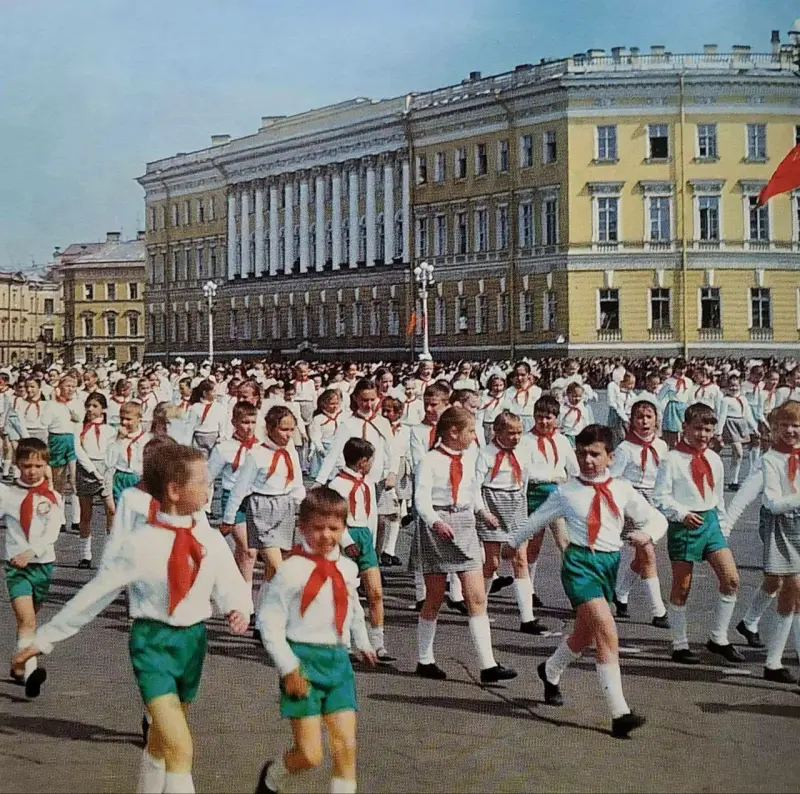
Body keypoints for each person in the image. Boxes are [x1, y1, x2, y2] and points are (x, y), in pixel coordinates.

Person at [13, 444, 252, 794]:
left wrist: (238, 607)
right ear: (174, 490)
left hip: (193, 644)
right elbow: (95, 594)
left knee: (161, 739)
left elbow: (230, 582)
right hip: (152, 644)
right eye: (202, 481)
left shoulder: (209, 538)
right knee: (180, 746)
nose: (209, 488)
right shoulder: (140, 544)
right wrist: (44, 639)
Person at [508, 424, 667, 738]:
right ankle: (620, 713)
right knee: (606, 630)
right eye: (581, 453)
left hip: (608, 564)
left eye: (595, 454)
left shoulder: (621, 489)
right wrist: (512, 543)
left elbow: (656, 519)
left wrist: (647, 534)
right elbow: (536, 519)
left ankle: (550, 670)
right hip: (579, 565)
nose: (587, 460)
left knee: (584, 634)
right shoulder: (565, 492)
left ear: (610, 457)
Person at [254, 488, 377, 794]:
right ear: (302, 527)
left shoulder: (347, 569)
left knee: (345, 746)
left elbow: (352, 607)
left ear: (343, 529)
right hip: (302, 662)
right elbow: (269, 622)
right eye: (318, 528)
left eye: (334, 528)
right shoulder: (292, 570)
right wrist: (288, 667)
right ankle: (272, 778)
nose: (326, 535)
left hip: (338, 662)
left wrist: (363, 642)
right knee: (310, 755)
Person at [413, 407, 517, 684]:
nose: (474, 436)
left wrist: (483, 512)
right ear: (453, 432)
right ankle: (425, 659)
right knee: (435, 597)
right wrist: (435, 522)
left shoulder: (470, 457)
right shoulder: (429, 461)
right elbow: (421, 500)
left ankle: (488, 665)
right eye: (470, 431)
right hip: (438, 525)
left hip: (464, 523)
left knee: (477, 597)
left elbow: (472, 491)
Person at [653, 402, 744, 665]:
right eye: (697, 429)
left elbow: (718, 497)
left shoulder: (714, 459)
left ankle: (718, 638)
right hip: (685, 525)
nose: (702, 435)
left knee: (731, 579)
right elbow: (660, 496)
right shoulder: (672, 459)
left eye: (708, 430)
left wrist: (722, 526)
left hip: (711, 523)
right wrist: (681, 514)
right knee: (682, 587)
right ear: (684, 427)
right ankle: (679, 644)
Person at [221, 405, 305, 600]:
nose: (288, 435)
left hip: (285, 508)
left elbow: (297, 483)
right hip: (262, 510)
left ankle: (261, 612)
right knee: (279, 568)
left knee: (272, 572)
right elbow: (240, 489)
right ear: (270, 428)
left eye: (291, 430)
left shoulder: (290, 452)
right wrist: (229, 518)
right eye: (283, 429)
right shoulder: (256, 454)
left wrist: (305, 508)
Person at [475, 410, 547, 634]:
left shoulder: (523, 451)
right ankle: (479, 610)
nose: (516, 438)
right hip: (492, 503)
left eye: (519, 433)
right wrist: (483, 512)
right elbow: (475, 486)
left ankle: (527, 618)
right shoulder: (486, 454)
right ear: (498, 432)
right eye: (511, 433)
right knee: (492, 562)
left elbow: (523, 481)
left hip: (515, 503)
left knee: (520, 560)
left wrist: (522, 510)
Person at [3, 438, 64, 698]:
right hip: (16, 567)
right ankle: (30, 675)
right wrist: (21, 554)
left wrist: (32, 553)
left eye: (38, 466)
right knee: (26, 620)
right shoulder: (7, 494)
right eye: (27, 466)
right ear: (17, 464)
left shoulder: (53, 498)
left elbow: (52, 532)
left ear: (46, 466)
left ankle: (18, 664)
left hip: (42, 565)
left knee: (29, 622)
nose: (32, 471)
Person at [328, 438, 394, 662]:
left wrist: (372, 542)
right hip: (346, 536)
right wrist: (346, 541)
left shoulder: (367, 483)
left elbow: (371, 513)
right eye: (370, 460)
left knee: (375, 591)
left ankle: (378, 644)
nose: (372, 465)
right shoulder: (338, 484)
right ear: (362, 461)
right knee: (345, 593)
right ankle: (344, 642)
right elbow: (334, 517)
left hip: (364, 536)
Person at [609, 400, 670, 627]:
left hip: (655, 501)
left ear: (656, 420)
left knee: (641, 556)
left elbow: (666, 475)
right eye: (639, 417)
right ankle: (658, 611)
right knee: (647, 552)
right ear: (632, 421)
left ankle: (620, 592)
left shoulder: (662, 446)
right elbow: (613, 479)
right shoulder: (625, 449)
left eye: (648, 417)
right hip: (632, 502)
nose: (644, 422)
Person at [757, 400, 800, 684]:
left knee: (796, 594)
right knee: (792, 589)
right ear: (774, 428)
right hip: (784, 526)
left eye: (796, 425)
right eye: (784, 425)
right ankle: (773, 661)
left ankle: (776, 659)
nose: (790, 430)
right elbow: (772, 502)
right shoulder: (771, 459)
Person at [524, 395, 578, 608]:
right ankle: (528, 590)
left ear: (556, 418)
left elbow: (574, 469)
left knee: (565, 544)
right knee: (532, 546)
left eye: (548, 417)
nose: (544, 422)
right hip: (533, 494)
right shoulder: (526, 441)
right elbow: (523, 471)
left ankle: (577, 594)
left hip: (556, 494)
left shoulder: (562, 441)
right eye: (539, 417)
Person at [206, 402, 260, 588]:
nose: (249, 427)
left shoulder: (260, 446)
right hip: (232, 501)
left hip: (255, 500)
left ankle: (236, 587)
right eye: (245, 422)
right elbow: (208, 477)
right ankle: (246, 600)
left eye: (253, 422)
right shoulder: (224, 448)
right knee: (249, 550)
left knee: (245, 552)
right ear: (234, 422)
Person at [73, 392, 117, 569]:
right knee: (86, 514)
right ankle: (85, 555)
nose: (90, 409)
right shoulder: (80, 428)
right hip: (86, 470)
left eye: (95, 406)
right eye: (88, 406)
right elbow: (78, 451)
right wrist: (93, 471)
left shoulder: (110, 430)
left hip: (105, 469)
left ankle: (109, 553)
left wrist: (107, 471)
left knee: (111, 510)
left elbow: (113, 451)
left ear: (103, 409)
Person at [104, 402, 151, 507]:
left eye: (129, 419)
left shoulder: (146, 439)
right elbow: (109, 462)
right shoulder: (115, 438)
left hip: (137, 477)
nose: (124, 422)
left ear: (139, 419)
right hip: (120, 476)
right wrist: (118, 440)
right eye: (122, 419)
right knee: (120, 509)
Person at [718, 374, 759, 491]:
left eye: (736, 386)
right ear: (727, 387)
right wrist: (719, 431)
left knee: (736, 455)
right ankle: (732, 479)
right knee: (738, 452)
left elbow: (748, 414)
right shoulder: (725, 400)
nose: (733, 388)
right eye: (731, 386)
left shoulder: (743, 399)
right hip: (730, 424)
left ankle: (733, 480)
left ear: (740, 386)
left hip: (741, 423)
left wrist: (755, 428)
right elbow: (722, 415)